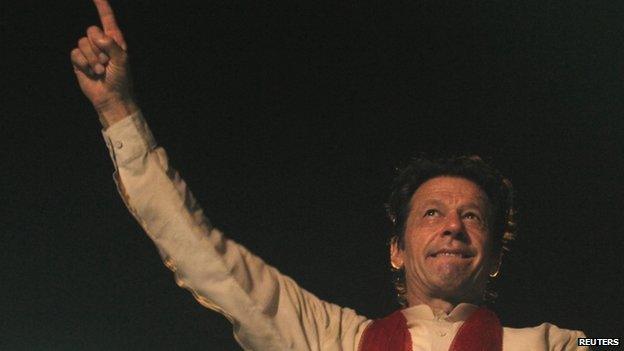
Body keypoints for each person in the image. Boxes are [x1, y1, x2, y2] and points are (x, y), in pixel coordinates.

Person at [71, 1, 588, 350]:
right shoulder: (331, 338)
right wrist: (119, 110)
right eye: (432, 213)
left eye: (471, 216)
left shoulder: (548, 345)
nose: (452, 226)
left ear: (495, 255)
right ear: (397, 249)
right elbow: (205, 257)